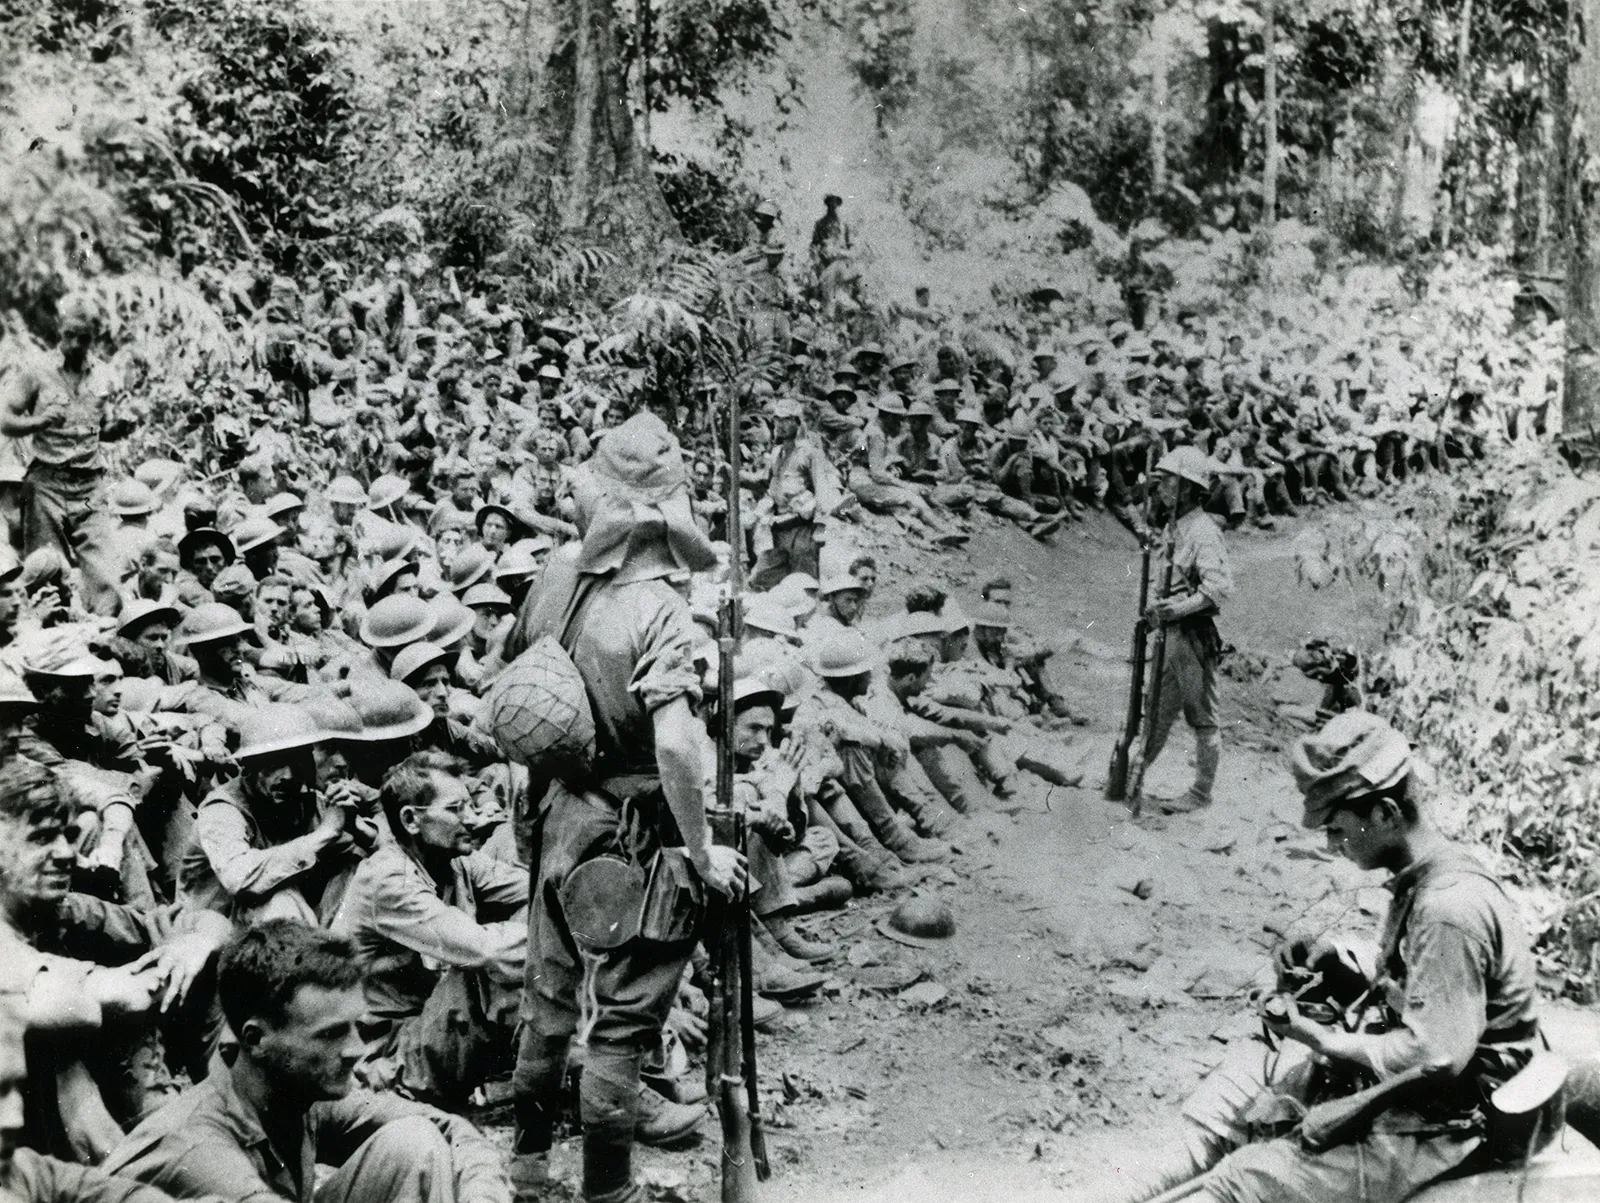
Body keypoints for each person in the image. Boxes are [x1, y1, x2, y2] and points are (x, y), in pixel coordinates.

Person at [1106, 711, 1542, 1203]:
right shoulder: (1426, 878)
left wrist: (1320, 1039)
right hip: (1416, 1093)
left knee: (1244, 1183)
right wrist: (1337, 967)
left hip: (1450, 1122)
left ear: (1386, 813)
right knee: (1228, 1104)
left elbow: (1435, 1056)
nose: (1332, 845)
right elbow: (1419, 991)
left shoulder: (1448, 908)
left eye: (1337, 829)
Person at [502, 414, 746, 1203]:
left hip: (556, 813)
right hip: (632, 832)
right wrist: (701, 850)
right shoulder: (661, 610)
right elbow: (676, 745)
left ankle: (528, 1165)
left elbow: (520, 672)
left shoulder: (555, 573)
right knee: (623, 1022)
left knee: (547, 999)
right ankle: (607, 1194)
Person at [103, 920, 512, 1203]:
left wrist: (483, 1195)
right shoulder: (201, 1150)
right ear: (256, 1040)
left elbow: (450, 1128)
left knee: (414, 1142)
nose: (356, 1050)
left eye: (356, 1028)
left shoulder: (290, 1091)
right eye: (332, 1034)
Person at [332, 751, 526, 1108]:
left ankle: (541, 1065)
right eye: (455, 810)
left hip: (429, 1027)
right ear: (411, 820)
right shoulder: (388, 878)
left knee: (533, 918)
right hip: (385, 1049)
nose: (471, 818)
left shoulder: (455, 860)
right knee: (483, 965)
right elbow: (485, 951)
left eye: (470, 806)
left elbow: (539, 891)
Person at [1138, 446, 1233, 815]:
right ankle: (1133, 776)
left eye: (1169, 481)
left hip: (1192, 634)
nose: (1161, 488)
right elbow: (1169, 579)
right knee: (1156, 710)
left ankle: (1201, 792)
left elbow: (1218, 588)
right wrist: (1156, 609)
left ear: (1189, 488)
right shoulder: (1175, 527)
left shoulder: (1204, 531)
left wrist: (1176, 609)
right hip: (1170, 633)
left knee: (1203, 718)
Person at [750, 398, 840, 590]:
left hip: (801, 531)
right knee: (760, 580)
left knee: (805, 586)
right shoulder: (776, 453)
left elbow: (822, 491)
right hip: (776, 529)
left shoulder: (810, 453)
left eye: (787, 419)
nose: (780, 424)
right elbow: (764, 482)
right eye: (777, 419)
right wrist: (733, 474)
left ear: (797, 422)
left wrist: (820, 527)